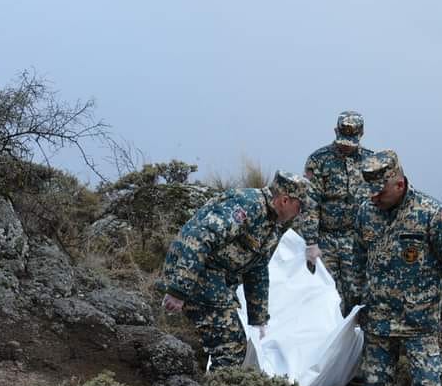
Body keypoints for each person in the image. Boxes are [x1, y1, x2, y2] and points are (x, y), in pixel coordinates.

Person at [354, 150, 442, 386]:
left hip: (419, 325)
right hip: (378, 325)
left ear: (399, 183)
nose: (373, 198)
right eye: (369, 191)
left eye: (379, 191)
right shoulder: (366, 213)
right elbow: (357, 261)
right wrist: (353, 303)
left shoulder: (431, 213)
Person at [160, 170, 310, 369]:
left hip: (214, 278)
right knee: (231, 345)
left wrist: (259, 319)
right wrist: (178, 290)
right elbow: (200, 238)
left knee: (233, 343)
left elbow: (257, 269)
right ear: (284, 200)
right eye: (299, 207)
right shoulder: (247, 206)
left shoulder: (272, 222)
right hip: (197, 271)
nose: (299, 213)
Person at [299, 110, 374, 312]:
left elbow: (379, 203)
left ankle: (357, 341)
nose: (345, 147)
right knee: (327, 295)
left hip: (357, 241)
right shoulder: (319, 160)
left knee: (358, 295)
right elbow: (310, 203)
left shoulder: (371, 162)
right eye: (342, 141)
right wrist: (311, 242)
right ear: (335, 131)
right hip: (325, 240)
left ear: (362, 134)